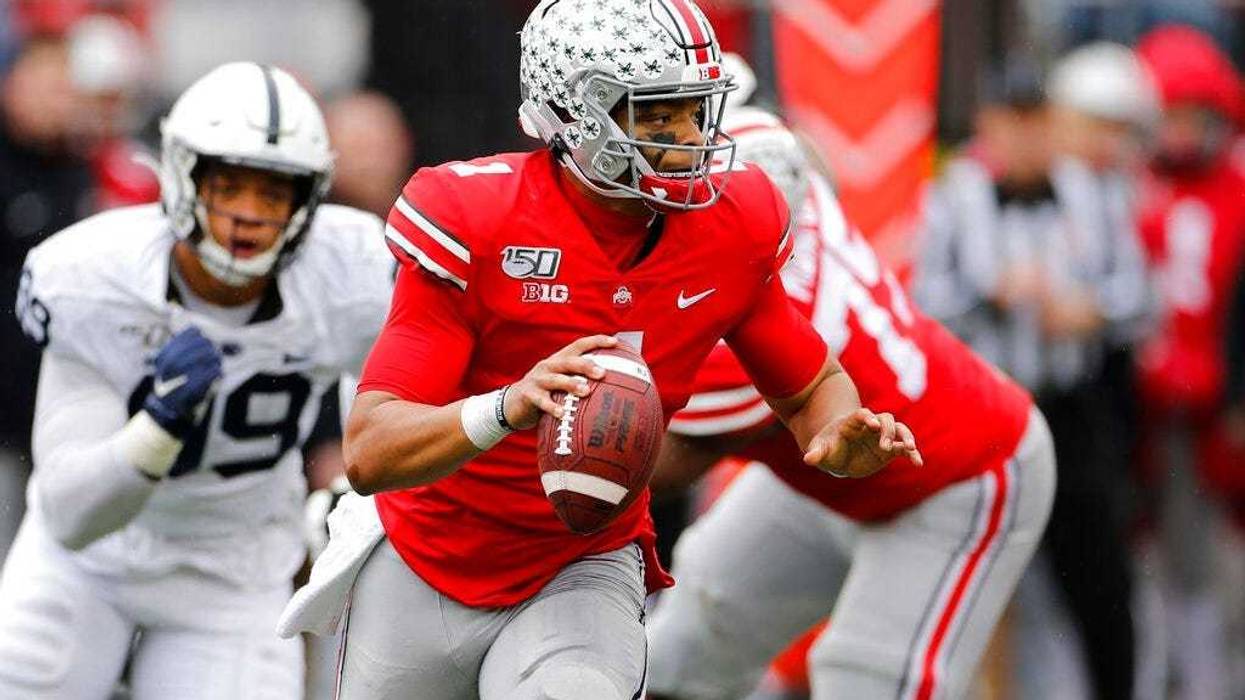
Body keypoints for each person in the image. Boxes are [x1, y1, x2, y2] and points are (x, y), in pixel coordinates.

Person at [279, 1, 921, 698]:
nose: (690, 139)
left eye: (695, 111)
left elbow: (809, 386)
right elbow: (371, 451)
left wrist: (838, 432)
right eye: (658, 116)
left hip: (581, 564)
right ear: (575, 115)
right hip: (425, 560)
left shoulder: (733, 223)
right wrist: (507, 406)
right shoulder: (478, 219)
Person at [0, 61, 394, 698]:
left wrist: (359, 492)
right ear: (184, 176)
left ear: (307, 200)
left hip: (234, 576)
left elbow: (396, 396)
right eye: (229, 187)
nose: (248, 215)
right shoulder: (92, 275)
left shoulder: (354, 270)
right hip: (88, 565)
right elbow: (71, 513)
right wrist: (158, 429)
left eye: (272, 195)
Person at [644, 105, 1056, 700]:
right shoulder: (784, 185)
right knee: (682, 650)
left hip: (956, 477)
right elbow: (804, 156)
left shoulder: (758, 346)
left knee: (866, 679)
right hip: (831, 463)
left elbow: (638, 464)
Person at [913, 60, 1149, 700]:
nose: (1024, 137)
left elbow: (1138, 296)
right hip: (986, 411)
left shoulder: (1093, 192)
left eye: (1035, 121)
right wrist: (989, 295)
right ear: (988, 126)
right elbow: (922, 305)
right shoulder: (954, 195)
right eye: (1011, 122)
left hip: (1070, 408)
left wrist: (1090, 311)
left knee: (1101, 579)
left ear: (1052, 124)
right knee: (978, 576)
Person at [1132, 25, 1245, 700]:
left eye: (1189, 117)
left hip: (1218, 401)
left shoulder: (1234, 187)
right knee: (1158, 547)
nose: (1177, 133)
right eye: (1165, 117)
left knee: (1212, 549)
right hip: (1148, 402)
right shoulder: (1132, 185)